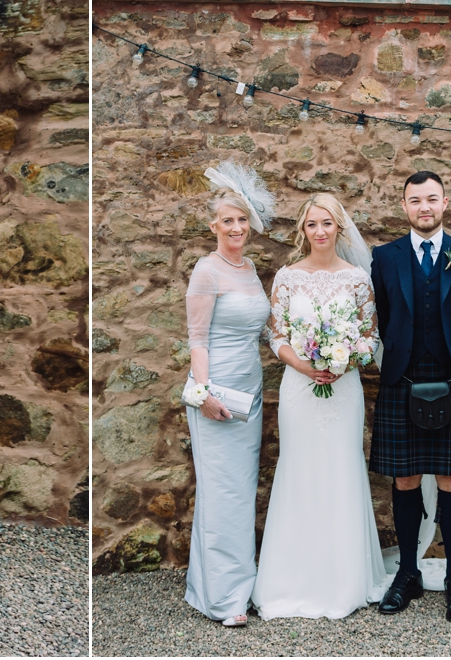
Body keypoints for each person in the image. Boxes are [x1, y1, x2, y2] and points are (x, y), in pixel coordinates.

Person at [249, 192, 387, 621]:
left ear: (339, 228)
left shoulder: (358, 279)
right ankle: (291, 579)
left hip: (343, 390)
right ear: (303, 231)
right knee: (300, 470)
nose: (320, 231)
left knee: (342, 469)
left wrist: (344, 359)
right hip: (299, 388)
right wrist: (306, 366)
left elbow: (370, 336)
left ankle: (344, 579)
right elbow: (277, 336)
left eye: (327, 223)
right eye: (312, 224)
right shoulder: (289, 276)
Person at [369, 170, 451, 620]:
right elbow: (380, 314)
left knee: (450, 481)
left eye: (432, 199)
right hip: (401, 381)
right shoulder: (385, 257)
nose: (424, 207)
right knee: (402, 479)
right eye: (415, 200)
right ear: (404, 206)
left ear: (445, 203)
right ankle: (408, 574)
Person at [180, 164, 273, 626]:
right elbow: (197, 339)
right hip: (216, 393)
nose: (236, 228)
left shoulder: (251, 268)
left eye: (242, 221)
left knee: (240, 491)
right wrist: (204, 394)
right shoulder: (206, 270)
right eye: (227, 221)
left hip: (250, 393)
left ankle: (236, 583)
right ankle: (223, 599)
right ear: (213, 226)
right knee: (221, 492)